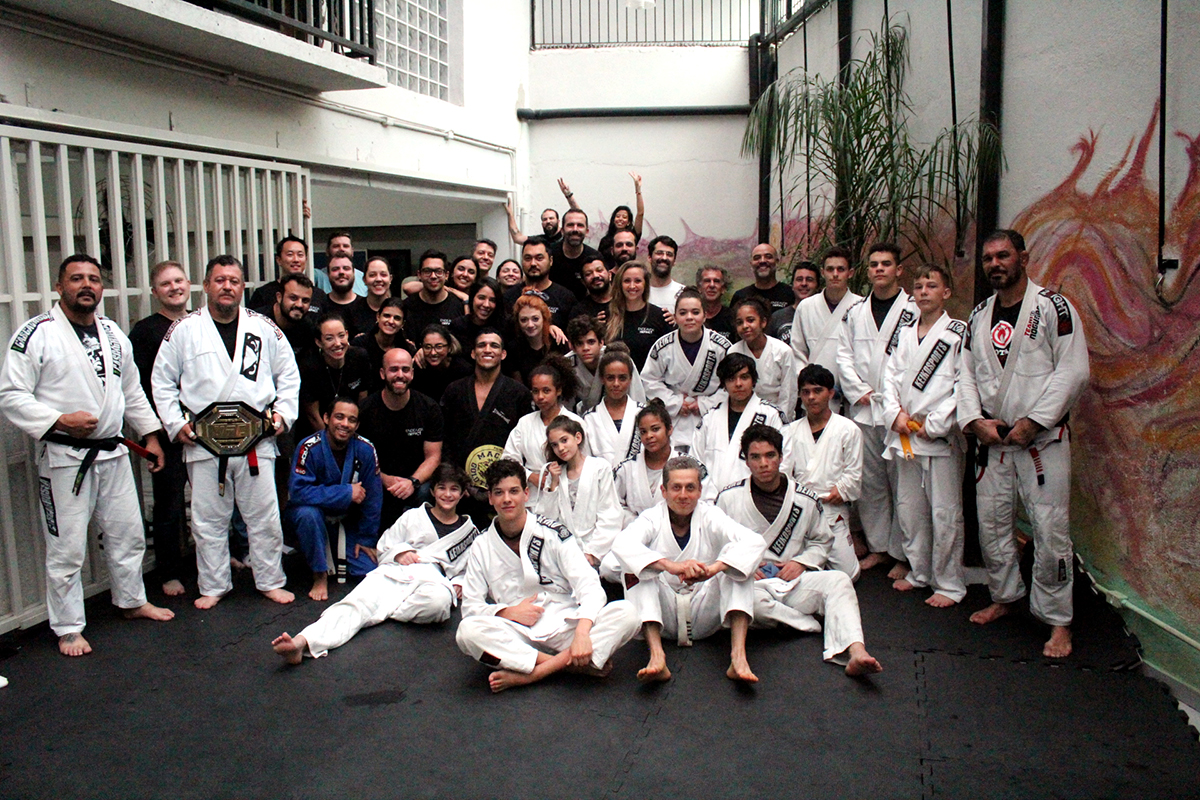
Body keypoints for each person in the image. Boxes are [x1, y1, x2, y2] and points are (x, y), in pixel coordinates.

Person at [0, 254, 173, 656]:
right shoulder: (36, 334)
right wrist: (59, 420)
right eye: (76, 278)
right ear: (59, 287)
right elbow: (11, 395)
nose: (87, 285)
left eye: (94, 279)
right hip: (65, 457)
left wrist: (151, 435)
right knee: (67, 547)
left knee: (128, 534)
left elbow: (131, 391)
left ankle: (132, 600)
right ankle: (68, 627)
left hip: (113, 452)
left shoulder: (112, 333)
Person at [958, 230, 1090, 658]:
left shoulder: (1053, 307)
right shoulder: (979, 315)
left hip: (1042, 441)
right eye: (988, 258)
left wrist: (1034, 422)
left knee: (1050, 530)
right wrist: (974, 421)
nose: (995, 264)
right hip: (994, 441)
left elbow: (1073, 371)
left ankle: (1058, 620)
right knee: (992, 526)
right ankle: (1004, 596)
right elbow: (965, 374)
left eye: (1003, 255)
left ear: (1023, 258)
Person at [151, 254, 300, 610]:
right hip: (204, 441)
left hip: (256, 439)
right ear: (206, 285)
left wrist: (281, 415)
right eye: (220, 280)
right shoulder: (184, 330)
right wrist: (176, 423)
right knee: (207, 521)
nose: (227, 287)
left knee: (264, 517)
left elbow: (289, 375)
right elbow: (162, 381)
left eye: (234, 281)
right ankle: (214, 584)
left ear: (242, 286)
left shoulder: (263, 327)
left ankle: (270, 580)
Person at [455, 459, 639, 692]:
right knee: (467, 632)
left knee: (628, 613)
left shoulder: (553, 532)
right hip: (517, 632)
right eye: (499, 493)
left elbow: (589, 586)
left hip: (565, 626)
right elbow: (471, 607)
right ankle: (571, 665)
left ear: (526, 494)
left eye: (513, 491)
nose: (507, 499)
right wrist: (507, 612)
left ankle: (534, 673)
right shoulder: (481, 545)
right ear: (490, 498)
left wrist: (582, 632)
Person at [272, 462, 481, 664]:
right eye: (442, 488)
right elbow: (386, 544)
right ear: (433, 491)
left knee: (439, 605)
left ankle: (375, 611)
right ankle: (302, 642)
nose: (447, 494)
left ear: (463, 493)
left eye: (454, 489)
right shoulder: (413, 516)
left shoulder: (470, 532)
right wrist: (400, 553)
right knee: (353, 605)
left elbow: (469, 568)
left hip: (433, 580)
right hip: (397, 572)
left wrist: (459, 583)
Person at [716, 426, 882, 676]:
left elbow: (821, 541)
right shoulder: (728, 498)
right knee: (743, 602)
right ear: (746, 461)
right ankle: (805, 623)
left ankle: (856, 651)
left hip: (792, 580)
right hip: (751, 584)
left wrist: (802, 562)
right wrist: (743, 565)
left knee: (839, 580)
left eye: (770, 455)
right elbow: (715, 546)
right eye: (755, 457)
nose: (764, 464)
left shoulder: (805, 498)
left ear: (781, 457)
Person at [612, 456, 766, 683]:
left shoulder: (711, 515)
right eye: (676, 488)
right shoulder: (652, 517)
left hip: (704, 610)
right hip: (662, 614)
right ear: (664, 491)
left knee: (737, 564)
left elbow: (755, 541)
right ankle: (656, 656)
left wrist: (715, 568)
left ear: (700, 491)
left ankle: (738, 658)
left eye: (690, 488)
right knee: (636, 568)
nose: (683, 495)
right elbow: (621, 544)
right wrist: (671, 566)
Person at [880, 264, 967, 607]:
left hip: (937, 436)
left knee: (944, 513)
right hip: (905, 434)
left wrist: (936, 423)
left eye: (932, 285)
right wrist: (894, 415)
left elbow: (964, 385)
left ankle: (949, 584)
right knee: (910, 509)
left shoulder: (957, 333)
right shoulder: (904, 334)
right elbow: (889, 378)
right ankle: (919, 572)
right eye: (918, 286)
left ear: (946, 292)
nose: (924, 292)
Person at [836, 241, 913, 574]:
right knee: (870, 483)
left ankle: (904, 554)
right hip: (865, 408)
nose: (879, 269)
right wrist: (859, 391)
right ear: (867, 272)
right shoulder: (855, 312)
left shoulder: (914, 310)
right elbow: (843, 355)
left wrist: (896, 399)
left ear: (899, 270)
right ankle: (880, 547)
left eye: (886, 264)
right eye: (874, 264)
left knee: (903, 485)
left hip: (900, 412)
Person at [129, 260, 192, 597]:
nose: (174, 288)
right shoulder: (145, 331)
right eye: (166, 284)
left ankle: (214, 560)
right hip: (166, 432)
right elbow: (138, 387)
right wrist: (151, 434)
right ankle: (169, 571)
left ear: (189, 284)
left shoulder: (201, 322)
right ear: (155, 292)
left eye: (178, 281)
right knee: (169, 503)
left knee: (214, 501)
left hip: (204, 429)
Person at [285, 397, 383, 601]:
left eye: (351, 420)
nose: (345, 424)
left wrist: (367, 538)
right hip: (314, 519)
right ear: (326, 418)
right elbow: (298, 492)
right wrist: (345, 493)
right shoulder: (308, 447)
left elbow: (373, 498)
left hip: (347, 522)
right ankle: (319, 573)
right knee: (307, 513)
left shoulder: (365, 449)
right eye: (339, 417)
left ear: (357, 425)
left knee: (367, 571)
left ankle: (336, 555)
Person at [780, 365, 862, 580]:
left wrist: (839, 491)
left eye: (818, 391)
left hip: (832, 510)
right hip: (798, 511)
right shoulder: (789, 431)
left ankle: (815, 567)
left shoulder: (848, 429)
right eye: (806, 392)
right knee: (785, 570)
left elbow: (853, 475)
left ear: (831, 393)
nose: (811, 397)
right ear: (800, 396)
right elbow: (784, 475)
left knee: (849, 574)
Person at [440, 330, 534, 507]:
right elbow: (445, 440)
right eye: (482, 345)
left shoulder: (518, 393)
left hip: (503, 488)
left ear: (503, 354)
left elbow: (525, 443)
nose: (488, 349)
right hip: (461, 488)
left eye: (494, 346)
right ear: (473, 353)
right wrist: (454, 480)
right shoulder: (455, 391)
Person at [357, 348, 444, 529]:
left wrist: (412, 482)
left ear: (412, 373)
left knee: (427, 492)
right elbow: (358, 459)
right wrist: (384, 479)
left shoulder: (429, 408)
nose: (400, 375)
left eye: (405, 369)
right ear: (382, 373)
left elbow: (433, 457)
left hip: (416, 482)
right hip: (377, 480)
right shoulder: (365, 410)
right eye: (393, 369)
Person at [641, 288, 733, 450]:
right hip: (675, 417)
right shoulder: (663, 346)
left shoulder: (721, 346)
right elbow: (649, 379)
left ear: (705, 315)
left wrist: (705, 404)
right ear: (675, 317)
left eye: (695, 312)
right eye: (683, 313)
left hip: (711, 415)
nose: (689, 317)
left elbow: (732, 382)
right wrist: (675, 402)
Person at [690, 353, 784, 502]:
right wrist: (709, 499)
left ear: (753, 380)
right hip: (710, 503)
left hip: (756, 500)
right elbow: (695, 463)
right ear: (724, 384)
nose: (738, 384)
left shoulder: (771, 415)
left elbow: (784, 462)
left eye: (744, 377)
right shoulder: (709, 419)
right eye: (731, 379)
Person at [537, 416, 623, 572]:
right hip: (563, 550)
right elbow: (548, 520)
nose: (560, 448)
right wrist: (554, 483)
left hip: (595, 548)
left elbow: (610, 514)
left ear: (578, 437)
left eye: (564, 440)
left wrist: (592, 553)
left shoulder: (599, 468)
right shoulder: (555, 474)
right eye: (555, 445)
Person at [503, 354, 583, 508]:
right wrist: (530, 476)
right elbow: (508, 459)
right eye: (535, 391)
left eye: (546, 391)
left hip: (569, 495)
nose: (540, 397)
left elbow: (584, 461)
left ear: (558, 390)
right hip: (533, 499)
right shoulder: (525, 423)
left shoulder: (575, 422)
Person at [791, 246, 862, 413]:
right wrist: (809, 384)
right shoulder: (806, 307)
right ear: (822, 272)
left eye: (841, 269)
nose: (835, 274)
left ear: (850, 273)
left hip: (850, 396)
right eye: (830, 269)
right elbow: (797, 352)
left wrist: (852, 387)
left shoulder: (861, 306)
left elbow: (865, 354)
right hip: (813, 394)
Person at [298, 312, 371, 435]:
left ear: (347, 335)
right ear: (319, 342)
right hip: (320, 431)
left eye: (341, 336)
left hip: (351, 427)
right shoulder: (309, 367)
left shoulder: (360, 357)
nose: (337, 343)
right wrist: (330, 441)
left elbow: (362, 402)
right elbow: (313, 415)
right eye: (329, 338)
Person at [614, 400, 684, 523]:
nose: (649, 436)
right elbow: (613, 505)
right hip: (634, 531)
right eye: (643, 432)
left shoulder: (687, 466)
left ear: (669, 429)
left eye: (655, 429)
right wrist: (638, 523)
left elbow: (703, 503)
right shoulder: (626, 468)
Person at [729, 296, 797, 421]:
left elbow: (788, 394)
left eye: (750, 320)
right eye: (739, 322)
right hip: (744, 414)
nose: (745, 326)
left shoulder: (783, 351)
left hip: (776, 414)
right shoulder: (733, 351)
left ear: (763, 322)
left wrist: (781, 421)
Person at [565, 315, 644, 413]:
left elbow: (636, 393)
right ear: (572, 347)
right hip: (585, 415)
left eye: (591, 342)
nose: (586, 348)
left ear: (601, 342)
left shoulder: (617, 358)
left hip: (620, 412)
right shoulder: (566, 365)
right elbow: (565, 404)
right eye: (579, 343)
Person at [582, 345, 645, 468]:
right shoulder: (589, 418)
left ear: (630, 379)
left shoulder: (643, 413)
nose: (616, 384)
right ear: (602, 379)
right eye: (610, 378)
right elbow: (586, 463)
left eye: (622, 378)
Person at [605, 262, 671, 371]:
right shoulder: (608, 315)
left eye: (638, 281)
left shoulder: (660, 316)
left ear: (645, 284)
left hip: (650, 380)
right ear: (620, 284)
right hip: (616, 380)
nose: (632, 286)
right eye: (627, 281)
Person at [503, 237, 577, 331]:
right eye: (528, 258)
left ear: (551, 261)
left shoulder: (566, 298)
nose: (533, 263)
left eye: (539, 258)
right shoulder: (509, 297)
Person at [248, 235, 328, 314]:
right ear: (279, 260)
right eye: (290, 254)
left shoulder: (319, 295)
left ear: (306, 259)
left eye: (300, 255)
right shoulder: (263, 294)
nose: (296, 260)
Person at [503, 295, 568, 387]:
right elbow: (519, 386)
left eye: (535, 319)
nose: (530, 324)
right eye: (524, 320)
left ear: (544, 318)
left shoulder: (558, 340)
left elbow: (569, 379)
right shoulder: (513, 348)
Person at [352, 297, 414, 393]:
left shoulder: (408, 350)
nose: (391, 321)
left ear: (403, 324)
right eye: (386, 316)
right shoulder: (359, 345)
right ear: (378, 316)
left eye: (397, 318)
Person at [402, 250, 465, 343]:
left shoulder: (459, 306)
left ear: (446, 275)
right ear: (419, 275)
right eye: (427, 271)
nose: (433, 276)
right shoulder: (406, 307)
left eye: (438, 271)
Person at [409, 324, 472, 403]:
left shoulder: (463, 371)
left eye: (439, 347)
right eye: (427, 347)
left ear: (449, 347)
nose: (433, 352)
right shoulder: (418, 369)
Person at [548, 209, 601, 299]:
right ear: (562, 230)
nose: (575, 229)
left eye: (580, 225)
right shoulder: (548, 253)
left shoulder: (595, 257)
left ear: (587, 231)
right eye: (570, 225)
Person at [269, 273, 319, 364]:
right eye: (293, 298)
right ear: (279, 297)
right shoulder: (258, 323)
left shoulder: (307, 328)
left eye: (305, 300)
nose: (299, 304)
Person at [731, 243, 794, 314]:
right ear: (751, 264)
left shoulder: (790, 294)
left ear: (777, 262)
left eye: (768, 257)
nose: (762, 261)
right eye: (757, 258)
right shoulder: (740, 296)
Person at [449, 277, 507, 354]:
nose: (486, 304)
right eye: (481, 298)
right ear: (472, 298)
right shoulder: (458, 326)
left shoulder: (505, 326)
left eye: (492, 300)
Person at [596, 172, 645, 259]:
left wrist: (638, 190)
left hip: (628, 267)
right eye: (618, 216)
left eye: (624, 217)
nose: (620, 219)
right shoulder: (605, 241)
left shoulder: (632, 235)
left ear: (629, 222)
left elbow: (640, 213)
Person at [768, 261, 820, 343]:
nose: (804, 283)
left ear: (817, 286)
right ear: (792, 285)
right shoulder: (777, 317)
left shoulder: (824, 315)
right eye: (799, 279)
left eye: (809, 280)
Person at [324, 255, 375, 338]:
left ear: (354, 273)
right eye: (335, 269)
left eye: (346, 268)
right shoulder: (321, 305)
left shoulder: (367, 306)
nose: (341, 272)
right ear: (328, 274)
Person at [695, 265, 737, 340]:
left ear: (723, 288)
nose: (712, 285)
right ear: (699, 287)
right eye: (707, 281)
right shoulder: (692, 317)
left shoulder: (733, 318)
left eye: (716, 281)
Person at [568, 257, 614, 324]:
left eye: (599, 270)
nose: (595, 276)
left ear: (610, 275)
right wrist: (593, 326)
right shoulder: (579, 311)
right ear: (583, 282)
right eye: (588, 274)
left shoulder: (625, 301)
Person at [646, 235, 685, 313]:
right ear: (649, 258)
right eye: (659, 253)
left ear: (674, 261)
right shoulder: (639, 291)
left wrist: (675, 319)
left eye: (669, 254)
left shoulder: (683, 293)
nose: (664, 258)